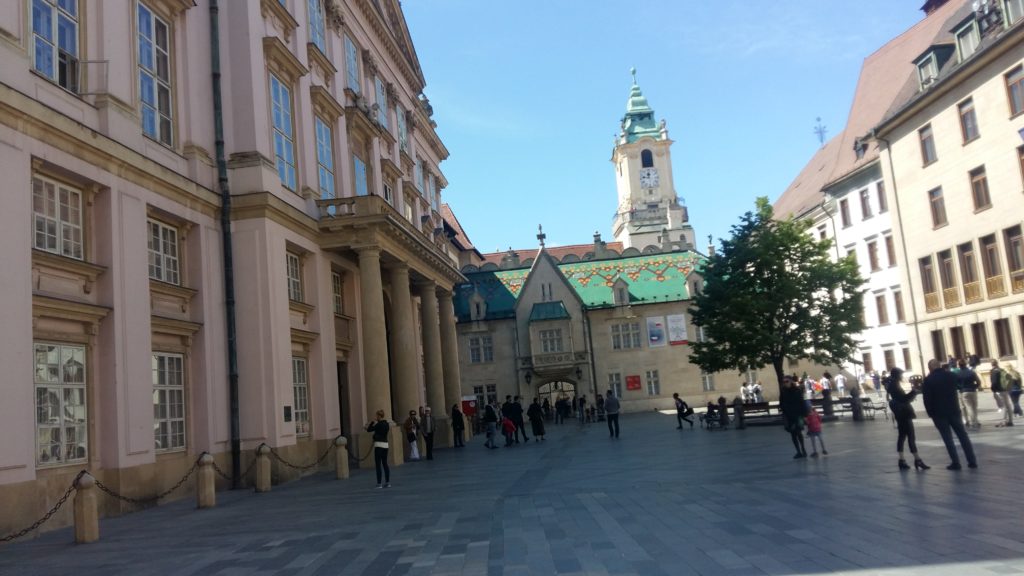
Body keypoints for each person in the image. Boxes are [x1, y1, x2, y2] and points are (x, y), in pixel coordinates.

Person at [923, 358, 977, 470]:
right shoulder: (951, 375)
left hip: (939, 413)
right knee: (963, 436)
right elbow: (960, 386)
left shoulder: (928, 380)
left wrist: (930, 413)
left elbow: (927, 399)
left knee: (948, 438)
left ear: (930, 368)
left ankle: (956, 462)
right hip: (954, 410)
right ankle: (972, 460)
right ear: (940, 366)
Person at [887, 369, 929, 471]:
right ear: (897, 375)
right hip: (904, 414)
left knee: (902, 436)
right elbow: (903, 399)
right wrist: (914, 391)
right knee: (910, 436)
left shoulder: (891, 384)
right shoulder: (895, 385)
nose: (902, 376)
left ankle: (902, 460)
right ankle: (917, 459)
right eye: (901, 374)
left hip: (900, 414)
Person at [780, 376, 808, 459]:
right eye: (784, 382)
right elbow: (781, 403)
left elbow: (802, 403)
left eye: (787, 381)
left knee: (799, 432)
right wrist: (784, 409)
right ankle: (798, 451)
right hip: (789, 416)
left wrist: (804, 415)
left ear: (791, 381)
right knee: (793, 434)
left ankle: (803, 449)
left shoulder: (797, 390)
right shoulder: (783, 392)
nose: (785, 383)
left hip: (798, 415)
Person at [365, 409, 390, 488]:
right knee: (385, 464)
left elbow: (369, 430)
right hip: (385, 445)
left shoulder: (378, 424)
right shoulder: (386, 424)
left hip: (379, 445)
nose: (376, 417)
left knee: (378, 465)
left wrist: (372, 422)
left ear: (379, 416)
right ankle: (387, 482)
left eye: (377, 416)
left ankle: (379, 483)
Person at [955, 359, 981, 428]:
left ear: (959, 365)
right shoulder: (972, 372)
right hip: (973, 390)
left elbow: (956, 384)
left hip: (963, 392)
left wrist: (960, 388)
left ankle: (970, 421)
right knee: (974, 406)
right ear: (966, 364)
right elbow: (978, 381)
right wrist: (975, 386)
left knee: (967, 407)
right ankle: (976, 420)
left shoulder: (957, 374)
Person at [990, 360, 1013, 427]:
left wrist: (993, 390)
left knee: (1002, 406)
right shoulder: (1002, 370)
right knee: (1008, 405)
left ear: (992, 364)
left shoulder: (993, 371)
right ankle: (1010, 421)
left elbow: (994, 382)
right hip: (1005, 389)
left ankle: (1004, 421)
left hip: (998, 391)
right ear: (997, 363)